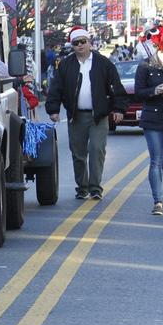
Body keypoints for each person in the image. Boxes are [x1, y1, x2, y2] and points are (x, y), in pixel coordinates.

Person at [45, 28, 128, 200]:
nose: (80, 45)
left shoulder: (103, 63)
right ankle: (82, 187)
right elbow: (56, 88)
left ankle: (95, 187)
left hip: (99, 116)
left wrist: (119, 109)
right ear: (72, 45)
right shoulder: (66, 65)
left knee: (97, 149)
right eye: (76, 43)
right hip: (76, 116)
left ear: (89, 42)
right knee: (78, 153)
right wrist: (53, 109)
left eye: (83, 41)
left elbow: (116, 87)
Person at [134, 44, 163, 215]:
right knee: (156, 160)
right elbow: (138, 92)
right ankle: (157, 201)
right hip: (153, 119)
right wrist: (154, 90)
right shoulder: (145, 65)